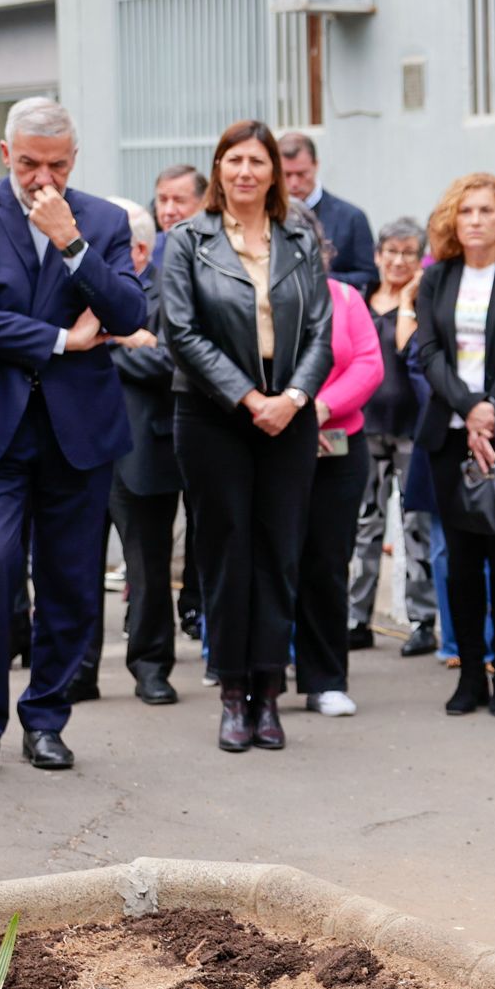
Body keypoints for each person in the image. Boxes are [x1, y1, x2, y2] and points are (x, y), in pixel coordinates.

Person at [0, 97, 148, 785]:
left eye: (54, 164)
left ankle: (46, 718)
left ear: (73, 159)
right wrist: (60, 339)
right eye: (27, 163)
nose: (40, 178)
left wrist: (71, 243)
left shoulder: (103, 220)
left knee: (72, 583)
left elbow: (130, 311)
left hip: (77, 432)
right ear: (5, 154)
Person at [160, 120, 333, 753]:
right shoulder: (187, 241)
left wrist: (290, 399)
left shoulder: (299, 238)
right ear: (218, 169)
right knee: (228, 553)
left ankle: (270, 692)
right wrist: (247, 396)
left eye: (257, 161)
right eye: (234, 160)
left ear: (275, 173)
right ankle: (233, 693)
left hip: (289, 415)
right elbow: (180, 330)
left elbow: (321, 331)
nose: (245, 172)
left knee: (279, 552)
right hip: (214, 416)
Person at [413, 173, 495, 716]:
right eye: (465, 211)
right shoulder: (436, 279)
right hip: (450, 438)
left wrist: (489, 410)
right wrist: (468, 408)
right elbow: (429, 353)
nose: (475, 220)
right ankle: (470, 675)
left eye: (486, 211)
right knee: (461, 563)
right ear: (453, 219)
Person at [289, 202, 384, 718]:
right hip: (276, 441)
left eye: (307, 244)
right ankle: (260, 675)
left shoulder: (345, 298)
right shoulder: (258, 302)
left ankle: (325, 678)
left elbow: (369, 363)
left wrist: (320, 407)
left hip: (339, 444)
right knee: (274, 559)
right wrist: (295, 414)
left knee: (327, 563)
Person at [101, 195, 184, 705]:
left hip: (144, 451)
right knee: (72, 569)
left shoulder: (169, 289)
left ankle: (152, 667)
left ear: (135, 248)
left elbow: (173, 362)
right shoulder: (78, 287)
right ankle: (78, 670)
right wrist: (126, 342)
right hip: (80, 449)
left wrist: (101, 344)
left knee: (150, 571)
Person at [349, 217, 438, 654]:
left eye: (409, 253)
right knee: (365, 525)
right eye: (391, 252)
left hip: (411, 430)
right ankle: (356, 617)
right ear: (378, 255)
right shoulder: (360, 300)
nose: (398, 261)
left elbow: (413, 354)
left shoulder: (425, 303)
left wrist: (408, 299)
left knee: (414, 525)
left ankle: (422, 619)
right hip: (365, 428)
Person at [150, 163, 207, 639]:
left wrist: (141, 346)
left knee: (205, 522)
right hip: (151, 421)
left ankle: (197, 606)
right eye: (162, 200)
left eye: (179, 200)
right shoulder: (149, 254)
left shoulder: (209, 251)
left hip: (205, 407)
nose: (168, 210)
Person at [278, 132, 376, 293]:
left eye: (302, 174)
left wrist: (321, 278)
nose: (293, 183)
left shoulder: (352, 217)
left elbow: (370, 277)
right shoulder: (262, 216)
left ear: (316, 165)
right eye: (286, 175)